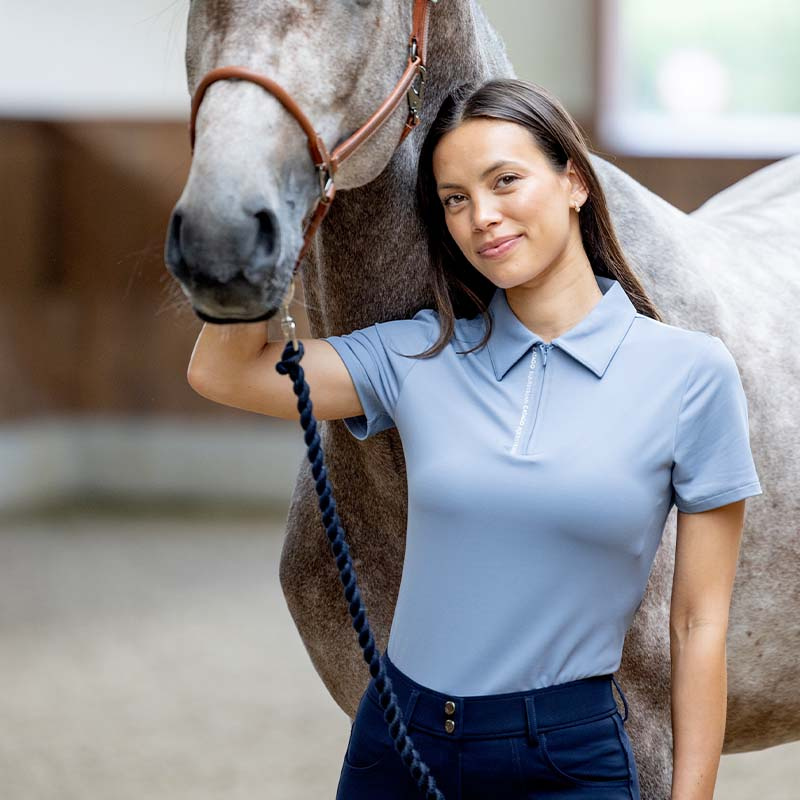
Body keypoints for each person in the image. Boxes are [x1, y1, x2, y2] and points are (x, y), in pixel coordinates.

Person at [186, 78, 763, 799]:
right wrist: (266, 213)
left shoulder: (690, 373)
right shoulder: (417, 354)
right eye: (455, 199)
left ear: (574, 182)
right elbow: (225, 370)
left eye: (505, 181)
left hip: (564, 760)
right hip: (398, 741)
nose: (481, 217)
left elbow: (698, 624)